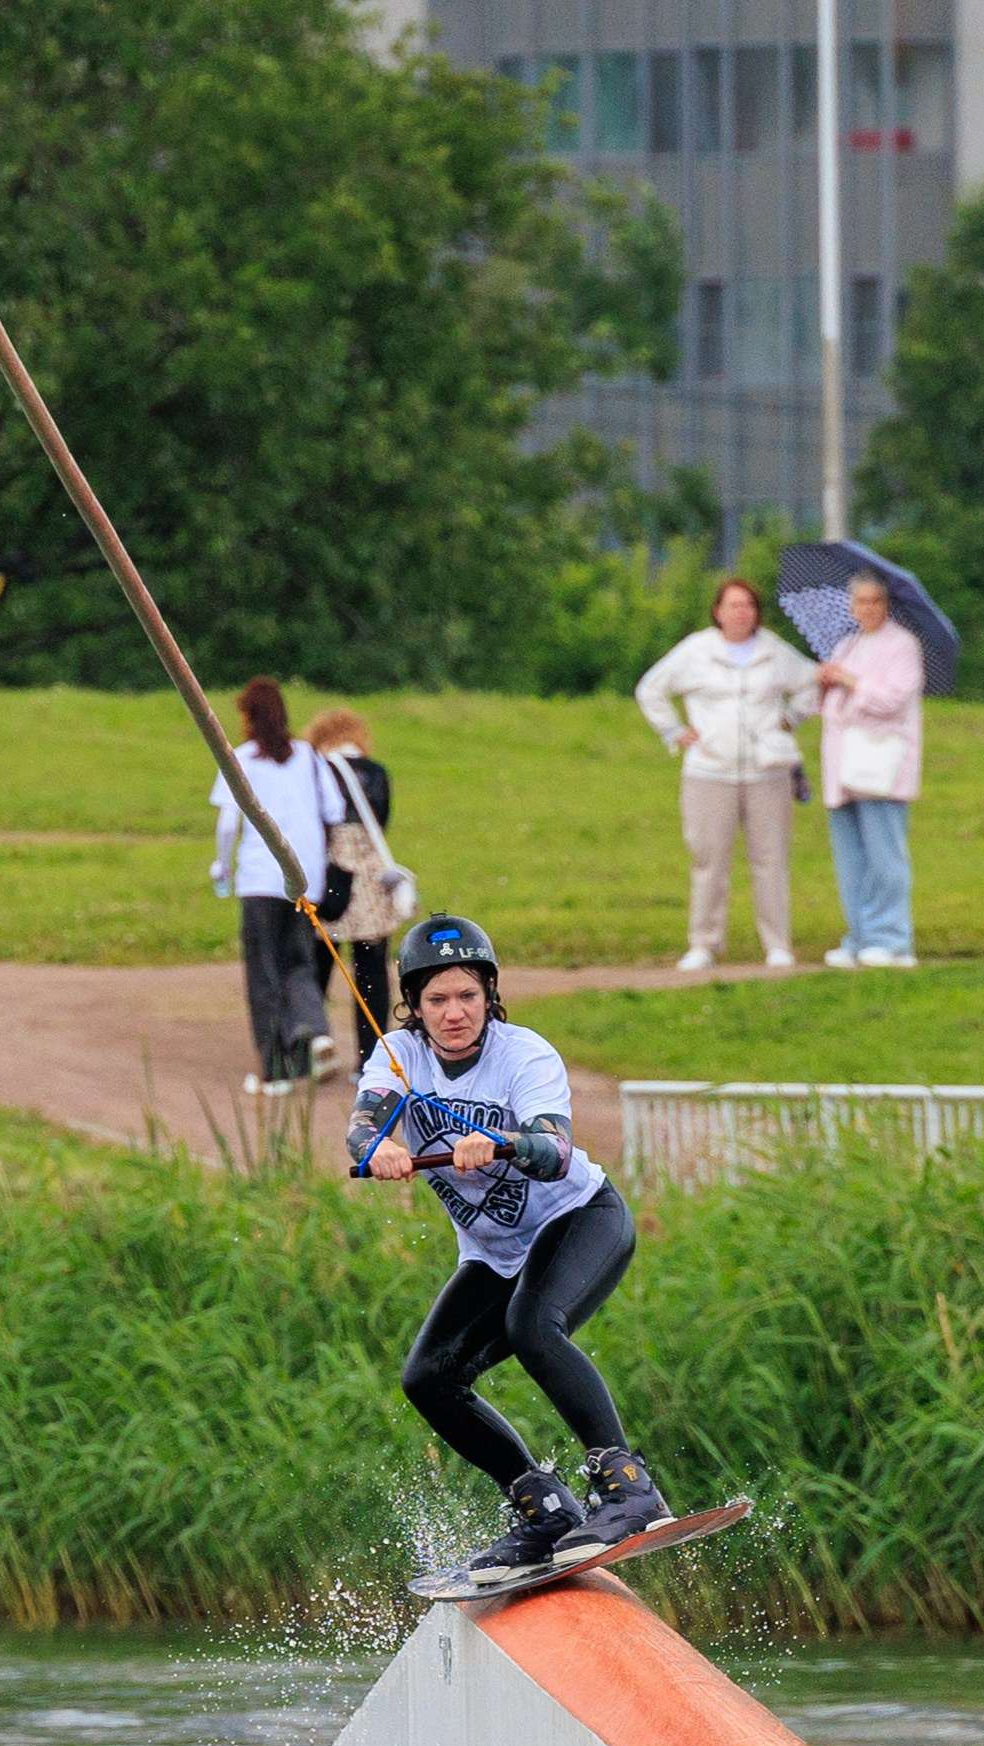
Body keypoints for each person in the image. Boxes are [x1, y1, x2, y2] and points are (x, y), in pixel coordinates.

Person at [350, 913, 676, 1588]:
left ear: (489, 993)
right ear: (413, 1004)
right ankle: (544, 1509)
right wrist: (377, 1146)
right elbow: (363, 1123)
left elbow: (554, 1148)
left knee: (531, 1325)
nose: (453, 1013)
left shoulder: (523, 1054)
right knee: (427, 1378)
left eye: (466, 995)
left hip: (580, 1217)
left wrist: (502, 1143)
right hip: (494, 1252)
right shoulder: (396, 1055)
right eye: (436, 1000)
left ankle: (628, 1489)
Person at [636, 574, 818, 975]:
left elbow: (812, 682)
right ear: (718, 611)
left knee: (771, 860)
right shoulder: (697, 651)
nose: (741, 612)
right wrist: (674, 731)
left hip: (766, 770)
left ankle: (777, 944)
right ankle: (704, 943)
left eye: (749, 605)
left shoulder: (774, 651)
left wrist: (790, 717)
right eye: (733, 605)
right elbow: (651, 688)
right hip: (709, 770)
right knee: (709, 860)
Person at [210, 676, 336, 1091]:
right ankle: (315, 1031)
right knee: (299, 962)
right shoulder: (310, 757)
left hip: (261, 879)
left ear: (250, 717)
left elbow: (229, 823)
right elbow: (333, 814)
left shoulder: (241, 759)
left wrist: (221, 866)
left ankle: (277, 1070)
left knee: (263, 972)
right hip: (304, 879)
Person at [817, 571, 925, 970]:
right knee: (851, 858)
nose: (867, 609)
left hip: (882, 763)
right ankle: (859, 935)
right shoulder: (847, 644)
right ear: (851, 606)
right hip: (843, 764)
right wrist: (827, 683)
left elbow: (894, 699)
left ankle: (892, 937)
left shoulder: (903, 646)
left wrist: (849, 681)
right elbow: (832, 705)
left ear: (887, 605)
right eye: (860, 602)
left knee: (885, 855)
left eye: (875, 601)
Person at [305, 707, 410, 1073]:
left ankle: (313, 1045)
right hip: (369, 877)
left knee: (316, 963)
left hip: (331, 876)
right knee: (371, 971)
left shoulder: (316, 770)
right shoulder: (377, 773)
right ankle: (371, 1059)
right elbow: (381, 824)